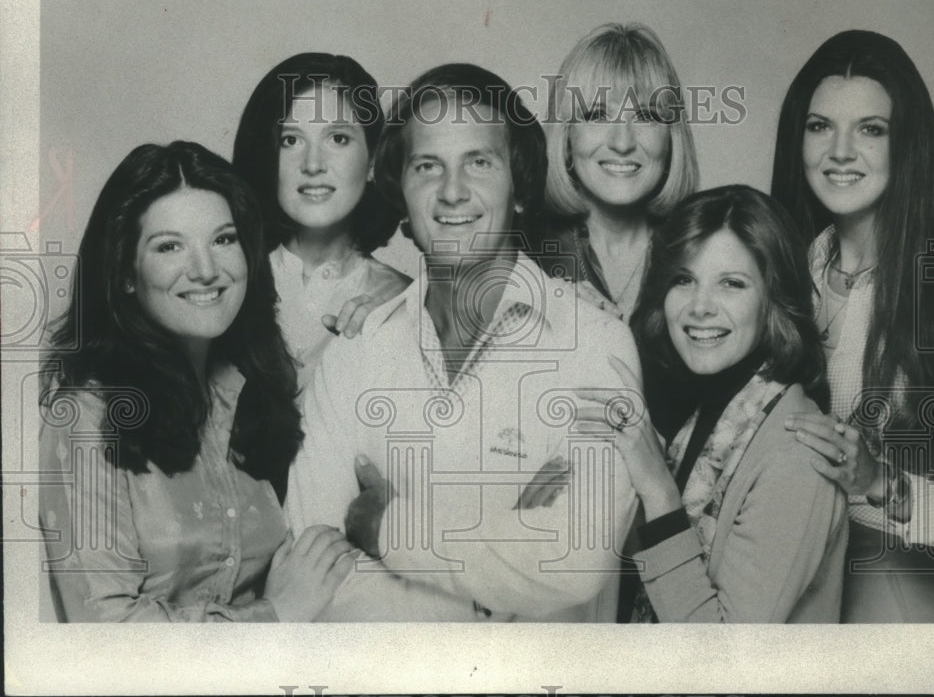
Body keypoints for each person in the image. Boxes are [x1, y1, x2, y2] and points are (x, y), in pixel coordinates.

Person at [285, 63, 641, 621]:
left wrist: (386, 527)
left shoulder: (593, 347)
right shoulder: (355, 353)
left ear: (520, 188)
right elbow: (315, 572)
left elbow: (572, 557)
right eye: (427, 166)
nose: (452, 192)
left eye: (479, 161)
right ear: (400, 195)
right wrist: (499, 569)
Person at [40, 141, 355, 621]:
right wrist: (275, 615)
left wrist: (387, 315)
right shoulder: (87, 417)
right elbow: (104, 632)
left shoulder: (259, 392)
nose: (207, 270)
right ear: (125, 272)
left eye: (224, 240)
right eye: (169, 246)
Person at [578, 185, 847, 622]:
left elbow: (722, 664)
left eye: (732, 284)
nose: (700, 307)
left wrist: (658, 488)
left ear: (773, 300)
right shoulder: (704, 409)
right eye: (683, 280)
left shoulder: (798, 455)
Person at [770, 30, 934, 622]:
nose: (841, 151)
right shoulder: (780, 273)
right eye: (820, 126)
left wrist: (881, 481)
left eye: (871, 129)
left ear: (906, 145)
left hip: (893, 580)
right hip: (790, 571)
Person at [233, 53, 410, 383]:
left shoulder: (405, 301)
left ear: (373, 160)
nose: (313, 164)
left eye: (338, 138)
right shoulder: (225, 278)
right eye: (290, 140)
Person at [540, 22, 699, 321]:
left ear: (671, 136)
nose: (622, 142)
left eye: (646, 115)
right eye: (597, 115)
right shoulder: (519, 253)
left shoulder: (705, 246)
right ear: (566, 135)